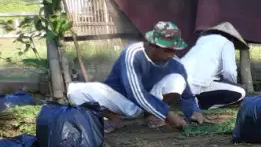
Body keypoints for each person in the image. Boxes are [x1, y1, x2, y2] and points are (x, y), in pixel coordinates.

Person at [67, 21, 205, 132]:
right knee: (75, 92)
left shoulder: (175, 63)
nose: (171, 54)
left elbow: (187, 95)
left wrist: (194, 112)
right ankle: (113, 116)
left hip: (150, 100)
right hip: (121, 99)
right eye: (167, 49)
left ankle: (151, 115)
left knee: (178, 80)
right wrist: (166, 114)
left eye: (174, 50)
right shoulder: (133, 54)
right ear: (153, 45)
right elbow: (135, 93)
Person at [180, 22, 248, 110]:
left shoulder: (202, 40)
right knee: (241, 91)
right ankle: (200, 103)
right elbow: (229, 71)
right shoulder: (227, 42)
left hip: (179, 82)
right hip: (198, 85)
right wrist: (233, 85)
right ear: (232, 37)